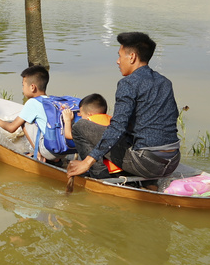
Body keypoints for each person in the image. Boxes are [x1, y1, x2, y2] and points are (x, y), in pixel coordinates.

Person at [66, 32, 181, 181]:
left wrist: (87, 162)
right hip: (172, 161)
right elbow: (169, 118)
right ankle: (148, 183)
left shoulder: (128, 83)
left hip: (147, 163)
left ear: (132, 57)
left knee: (80, 126)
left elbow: (117, 128)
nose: (118, 61)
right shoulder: (164, 82)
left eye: (120, 56)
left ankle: (100, 178)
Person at [0, 65, 65, 162]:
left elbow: (11, 128)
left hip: (50, 152)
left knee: (24, 122)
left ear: (32, 87)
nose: (22, 89)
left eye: (23, 85)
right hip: (64, 150)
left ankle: (40, 155)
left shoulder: (32, 102)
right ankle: (53, 158)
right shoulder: (53, 101)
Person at [62, 93, 122, 175]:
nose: (80, 116)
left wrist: (68, 120)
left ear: (89, 114)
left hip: (107, 170)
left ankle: (95, 174)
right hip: (121, 166)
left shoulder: (90, 121)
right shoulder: (112, 120)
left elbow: (68, 135)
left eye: (81, 114)